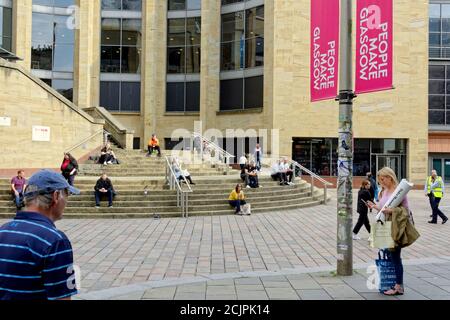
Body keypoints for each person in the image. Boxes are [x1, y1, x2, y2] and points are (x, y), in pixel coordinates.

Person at [0, 169, 80, 300]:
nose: (67, 201)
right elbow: (62, 297)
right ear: (56, 196)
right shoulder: (55, 241)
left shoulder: (3, 230)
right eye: (67, 195)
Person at [367, 167, 410, 296]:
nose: (381, 182)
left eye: (383, 179)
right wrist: (374, 206)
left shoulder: (400, 191)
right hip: (385, 227)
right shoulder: (383, 191)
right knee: (390, 254)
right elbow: (382, 208)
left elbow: (406, 212)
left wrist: (391, 211)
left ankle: (398, 286)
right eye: (380, 179)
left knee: (396, 257)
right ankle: (396, 282)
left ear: (390, 177)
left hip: (396, 228)